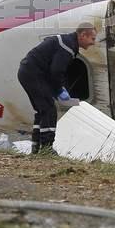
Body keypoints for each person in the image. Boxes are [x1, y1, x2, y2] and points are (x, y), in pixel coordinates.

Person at [17, 23, 97, 153]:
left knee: (42, 110)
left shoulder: (66, 41)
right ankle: (47, 148)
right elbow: (57, 71)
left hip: (27, 72)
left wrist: (56, 88)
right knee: (49, 110)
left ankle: (36, 147)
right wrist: (59, 89)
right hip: (34, 74)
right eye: (92, 39)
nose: (93, 42)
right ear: (83, 35)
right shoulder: (68, 47)